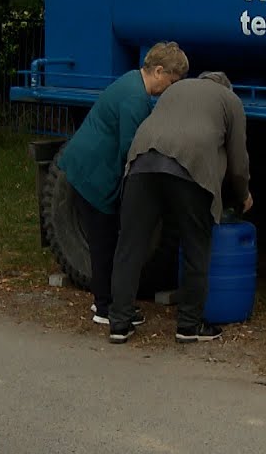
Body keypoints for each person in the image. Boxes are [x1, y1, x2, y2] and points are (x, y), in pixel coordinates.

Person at [108, 71, 252, 344]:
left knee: (130, 246)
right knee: (196, 246)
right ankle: (188, 326)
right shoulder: (231, 101)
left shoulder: (176, 88)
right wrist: (243, 194)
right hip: (190, 168)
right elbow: (238, 162)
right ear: (226, 87)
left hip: (142, 162)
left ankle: (119, 323)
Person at [56, 42, 189, 326]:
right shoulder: (135, 99)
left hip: (85, 166)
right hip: (94, 173)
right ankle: (105, 308)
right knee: (104, 242)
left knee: (105, 241)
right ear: (158, 70)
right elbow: (133, 150)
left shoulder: (130, 82)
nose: (171, 87)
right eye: (172, 80)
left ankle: (108, 303)